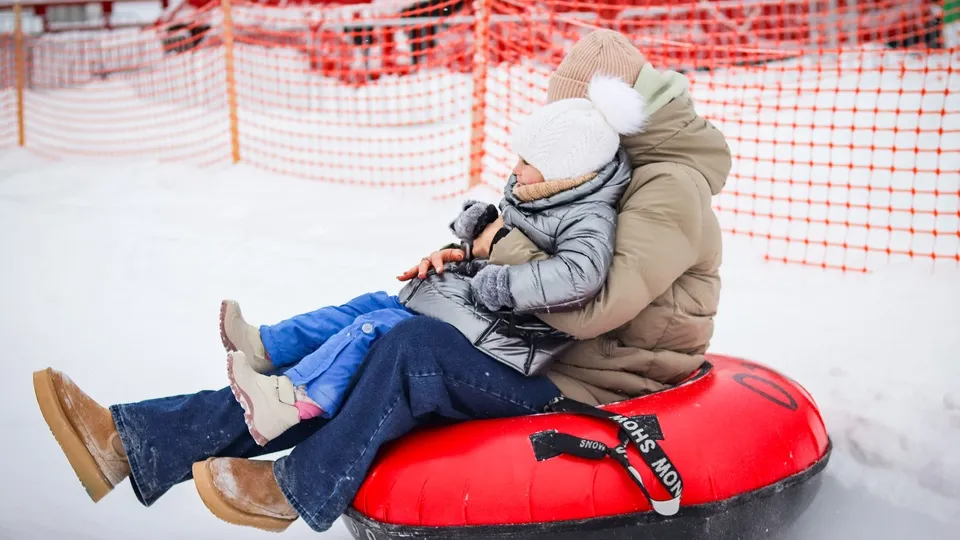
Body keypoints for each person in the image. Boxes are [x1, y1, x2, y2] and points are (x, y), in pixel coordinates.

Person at [31, 29, 730, 533]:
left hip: (590, 379)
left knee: (408, 348)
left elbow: (594, 303)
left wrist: (485, 264)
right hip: (534, 345)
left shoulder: (667, 188)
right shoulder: (612, 170)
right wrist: (465, 257)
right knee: (381, 321)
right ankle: (135, 441)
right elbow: (536, 250)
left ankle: (293, 489)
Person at [223, 74, 645, 447]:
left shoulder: (589, 216)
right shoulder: (539, 193)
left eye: (526, 162)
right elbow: (502, 245)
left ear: (562, 169)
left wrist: (499, 285)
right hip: (473, 307)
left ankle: (292, 401)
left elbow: (580, 274)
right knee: (369, 306)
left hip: (503, 333)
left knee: (380, 329)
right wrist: (465, 252)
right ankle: (268, 345)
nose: (514, 170)